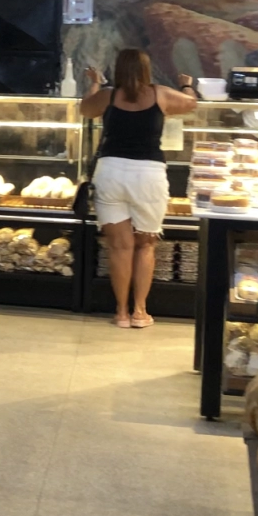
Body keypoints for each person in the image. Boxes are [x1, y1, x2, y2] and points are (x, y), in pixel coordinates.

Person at [79, 48, 197, 328]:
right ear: (146, 69)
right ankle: (140, 312)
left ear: (119, 69)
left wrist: (95, 84)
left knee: (119, 247)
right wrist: (186, 85)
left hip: (110, 173)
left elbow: (85, 110)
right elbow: (191, 104)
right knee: (145, 245)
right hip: (148, 176)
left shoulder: (108, 95)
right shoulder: (161, 94)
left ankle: (121, 312)